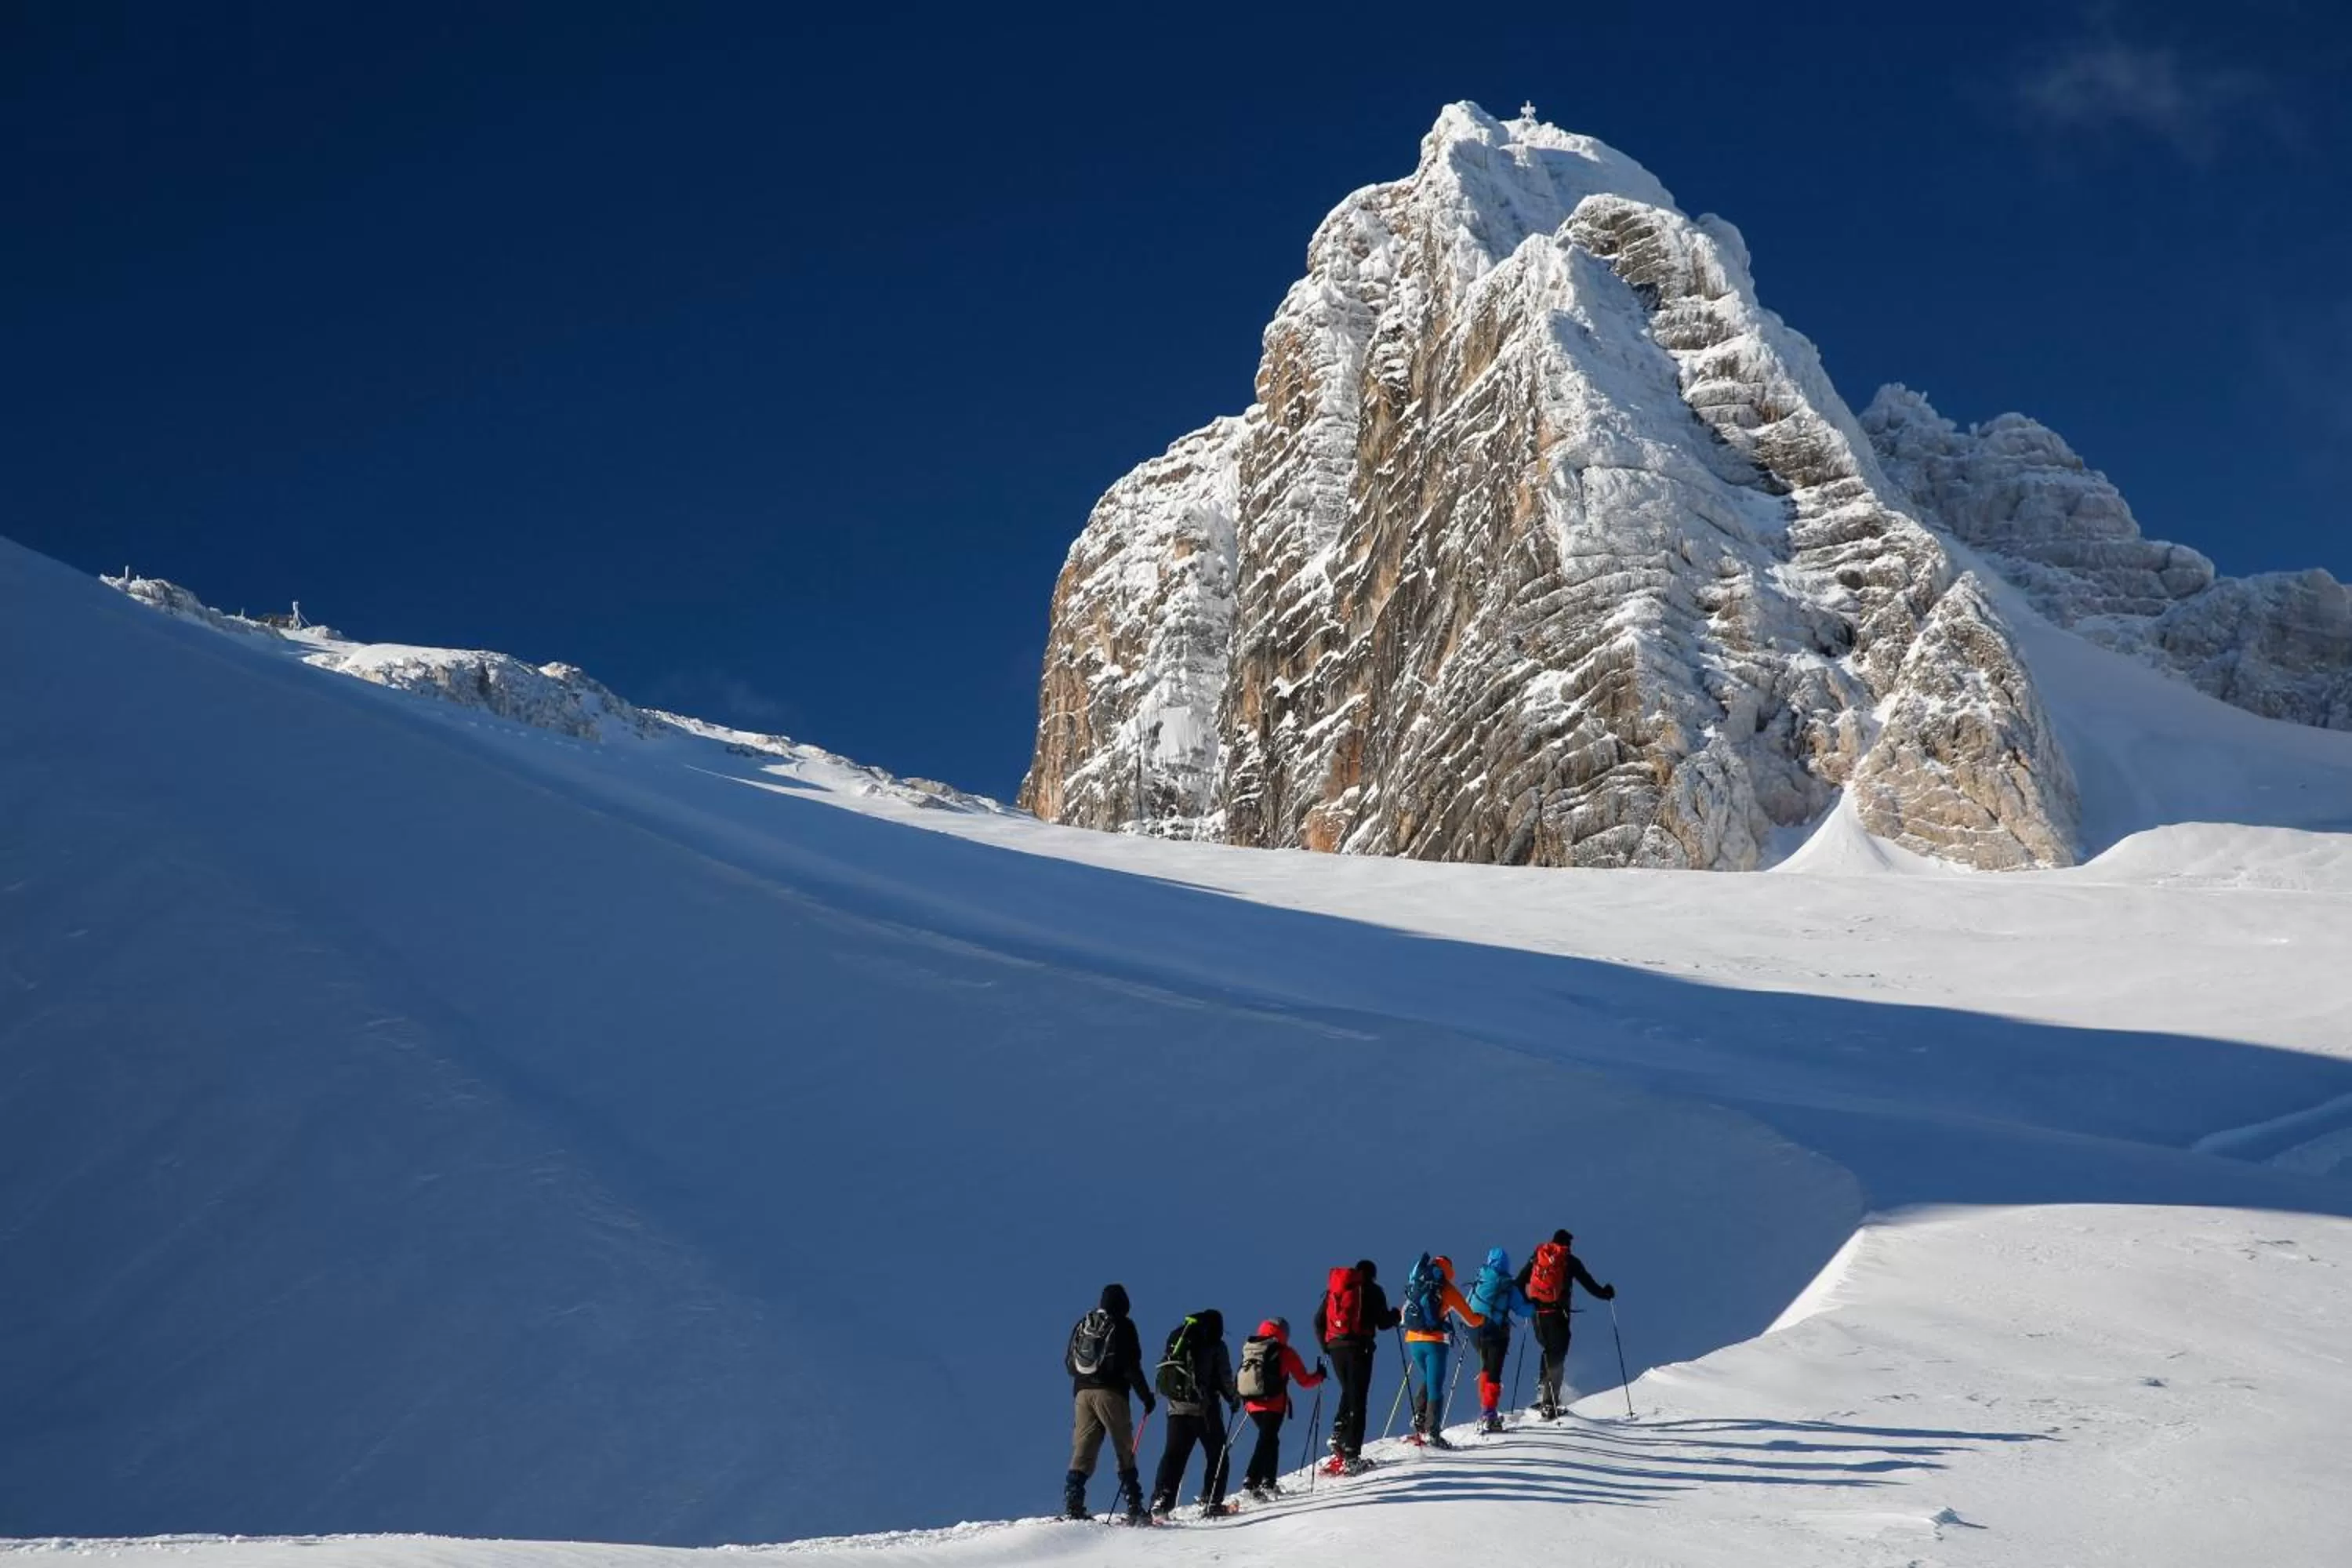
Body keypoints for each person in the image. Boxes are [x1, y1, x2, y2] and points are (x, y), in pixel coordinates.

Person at [1065, 1283, 1155, 1522]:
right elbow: (1132, 1366)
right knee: (1124, 1447)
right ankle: (1134, 1504)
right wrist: (1146, 1397)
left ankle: (1074, 1501)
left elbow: (1068, 1363)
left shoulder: (1084, 1324)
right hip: (1112, 1393)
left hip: (1082, 1393)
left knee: (1084, 1447)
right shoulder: (1123, 1326)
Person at [1149, 1308, 1240, 1519]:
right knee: (1218, 1455)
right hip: (1205, 1409)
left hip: (1176, 1408)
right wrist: (1233, 1398)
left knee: (1173, 1456)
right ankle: (1211, 1501)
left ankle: (1161, 1501)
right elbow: (1224, 1377)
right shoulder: (1215, 1343)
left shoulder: (1179, 1336)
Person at [1514, 1229, 1614, 1419]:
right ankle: (1550, 1405)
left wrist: (1528, 1303)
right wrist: (1606, 1293)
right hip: (1558, 1315)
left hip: (1537, 1315)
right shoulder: (1569, 1260)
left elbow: (1519, 1282)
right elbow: (1589, 1284)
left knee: (1548, 1351)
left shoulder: (1537, 1257)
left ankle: (1544, 1394)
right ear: (1568, 1244)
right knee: (1557, 1355)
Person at [1314, 1259, 1399, 1474]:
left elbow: (1318, 1321)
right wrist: (1395, 1315)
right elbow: (1383, 1322)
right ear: (1373, 1274)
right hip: (1359, 1347)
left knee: (1349, 1390)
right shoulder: (1372, 1290)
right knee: (1359, 1399)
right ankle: (1352, 1455)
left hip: (1335, 1348)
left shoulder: (1336, 1290)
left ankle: (1339, 1431)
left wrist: (1326, 1345)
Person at [1236, 1316, 1326, 1501]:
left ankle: (1268, 1482)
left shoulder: (1251, 1348)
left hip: (1252, 1404)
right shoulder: (1285, 1352)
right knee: (1266, 1440)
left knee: (1270, 1440)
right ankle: (1251, 1482)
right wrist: (1319, 1376)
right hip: (1273, 1405)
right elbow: (1304, 1381)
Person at [1400, 1254, 1484, 1447]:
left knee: (1428, 1378)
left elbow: (1404, 1312)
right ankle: (1433, 1432)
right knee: (1436, 1385)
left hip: (1413, 1340)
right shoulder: (1446, 1288)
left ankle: (1420, 1419)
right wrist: (1483, 1319)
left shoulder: (1417, 1283)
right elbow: (1471, 1318)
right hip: (1435, 1343)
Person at [1465, 1247, 1531, 1434]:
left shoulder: (1480, 1277)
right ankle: (1489, 1414)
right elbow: (1523, 1310)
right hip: (1494, 1332)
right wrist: (1538, 1306)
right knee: (1493, 1371)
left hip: (1473, 1330)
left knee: (1485, 1366)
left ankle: (1485, 1409)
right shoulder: (1507, 1284)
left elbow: (1467, 1302)